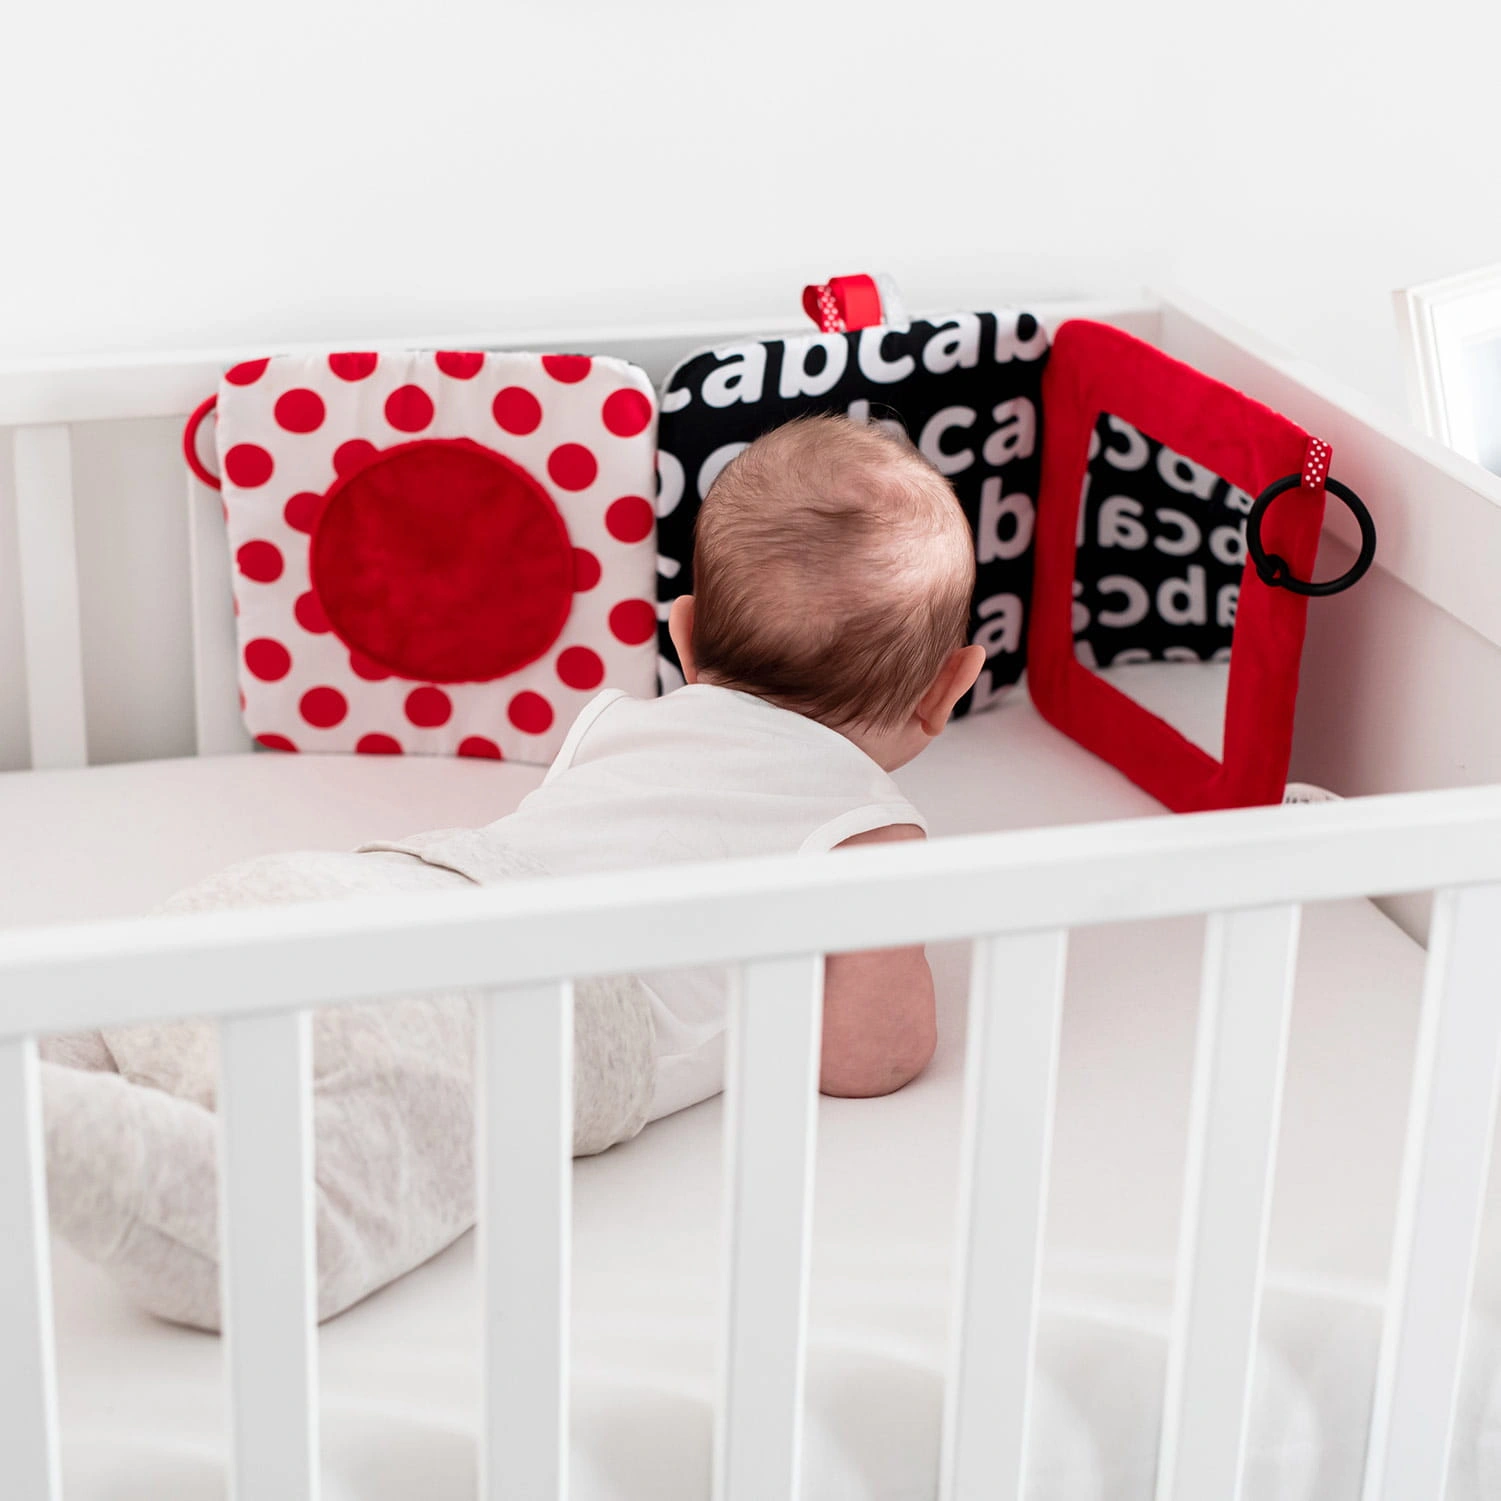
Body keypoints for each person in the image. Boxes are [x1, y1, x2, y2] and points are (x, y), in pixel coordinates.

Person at [40, 413, 985, 1328]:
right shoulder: (865, 831)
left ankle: (43, 1063)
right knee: (289, 1234)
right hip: (497, 1002)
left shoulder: (615, 721)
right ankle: (49, 1130)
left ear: (686, 633)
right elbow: (870, 1058)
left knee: (117, 1016)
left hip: (356, 884)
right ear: (947, 686)